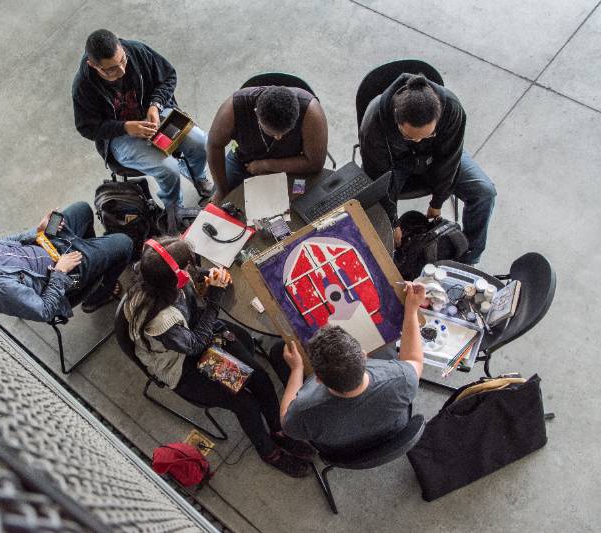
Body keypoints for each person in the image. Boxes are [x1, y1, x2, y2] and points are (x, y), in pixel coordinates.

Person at [124, 236, 315, 477]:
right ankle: (269, 452)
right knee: (245, 403)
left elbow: (192, 273)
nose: (191, 268)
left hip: (197, 333)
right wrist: (215, 297)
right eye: (187, 267)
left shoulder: (158, 276)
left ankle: (278, 432)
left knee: (260, 379)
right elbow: (194, 346)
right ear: (176, 278)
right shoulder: (161, 320)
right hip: (183, 365)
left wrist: (209, 275)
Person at [359, 73, 497, 264]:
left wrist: (438, 202)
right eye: (409, 136)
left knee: (484, 192)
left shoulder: (452, 108)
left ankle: (469, 259)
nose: (417, 141)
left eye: (427, 135)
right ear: (396, 118)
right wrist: (392, 221)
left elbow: (450, 159)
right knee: (372, 208)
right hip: (394, 164)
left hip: (437, 157)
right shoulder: (374, 121)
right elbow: (378, 177)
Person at [277, 282, 426, 454]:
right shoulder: (401, 380)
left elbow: (285, 419)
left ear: (317, 378)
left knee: (275, 352)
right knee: (387, 348)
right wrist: (412, 309)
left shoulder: (303, 412)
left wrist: (296, 369)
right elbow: (414, 359)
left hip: (345, 450)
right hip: (391, 432)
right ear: (364, 355)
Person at [72, 29, 212, 208]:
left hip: (157, 114)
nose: (122, 70)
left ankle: (197, 176)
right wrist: (125, 127)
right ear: (93, 65)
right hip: (120, 136)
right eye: (112, 69)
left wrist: (156, 105)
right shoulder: (83, 87)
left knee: (200, 142)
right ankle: (175, 210)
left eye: (123, 60)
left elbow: (169, 76)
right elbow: (87, 128)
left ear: (121, 48)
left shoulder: (136, 50)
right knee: (168, 169)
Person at [0, 202, 132, 322]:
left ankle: (93, 258)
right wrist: (60, 272)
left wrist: (38, 231)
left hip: (45, 246)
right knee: (124, 243)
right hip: (63, 278)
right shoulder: (0, 288)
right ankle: (96, 295)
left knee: (81, 209)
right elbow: (46, 310)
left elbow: (11, 243)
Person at [206, 85, 328, 205]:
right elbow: (214, 146)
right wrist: (222, 191)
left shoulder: (310, 111)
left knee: (300, 205)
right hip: (243, 161)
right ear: (256, 114)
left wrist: (267, 165)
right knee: (225, 204)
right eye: (271, 132)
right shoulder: (232, 109)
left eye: (285, 131)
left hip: (291, 163)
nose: (278, 137)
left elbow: (315, 163)